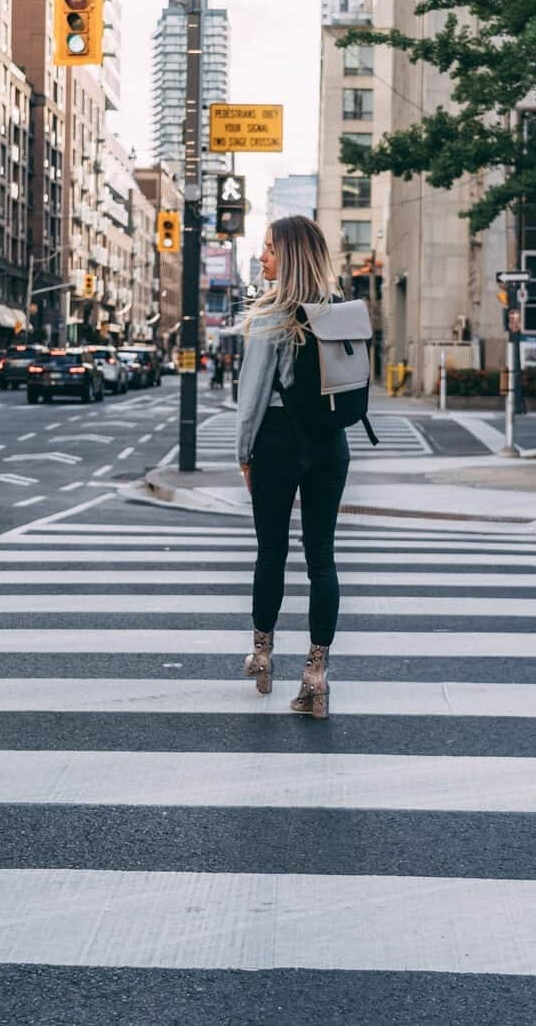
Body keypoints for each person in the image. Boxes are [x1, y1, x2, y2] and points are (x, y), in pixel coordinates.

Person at [235, 215, 348, 719]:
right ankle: (316, 675)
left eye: (269, 250)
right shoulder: (342, 311)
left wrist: (244, 453)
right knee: (321, 557)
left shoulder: (270, 317)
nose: (262, 257)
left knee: (271, 551)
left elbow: (253, 396)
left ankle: (262, 655)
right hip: (330, 442)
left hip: (278, 440)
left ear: (291, 257)